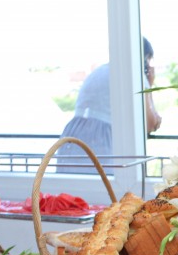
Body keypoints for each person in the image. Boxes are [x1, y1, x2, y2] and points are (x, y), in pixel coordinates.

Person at [55, 38, 161, 171]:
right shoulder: (133, 75)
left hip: (72, 139)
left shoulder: (99, 71)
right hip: (100, 145)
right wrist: (149, 84)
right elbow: (150, 123)